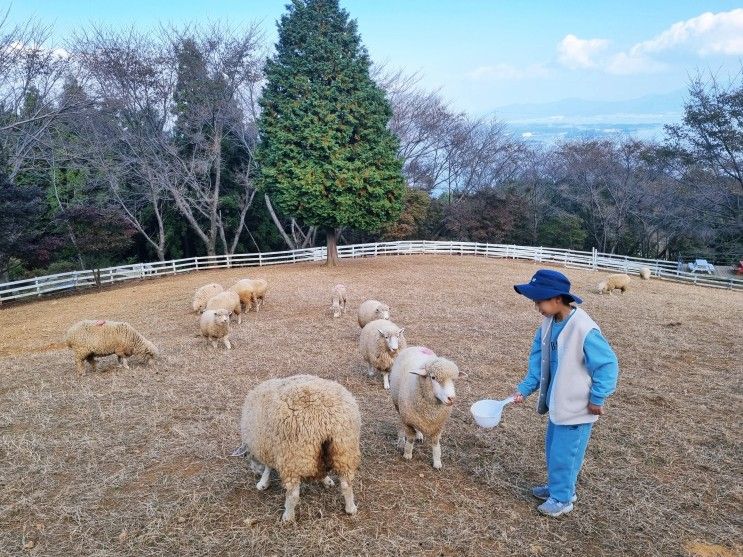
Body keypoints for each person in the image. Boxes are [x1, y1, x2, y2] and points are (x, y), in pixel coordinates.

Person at [511, 269, 619, 517]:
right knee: (554, 450)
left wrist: (597, 397)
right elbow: (539, 361)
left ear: (557, 299)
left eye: (539, 301)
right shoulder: (548, 323)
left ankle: (563, 498)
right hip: (558, 404)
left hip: (578, 406)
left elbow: (607, 364)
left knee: (566, 454)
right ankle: (558, 487)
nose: (536, 306)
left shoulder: (584, 328)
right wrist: (525, 389)